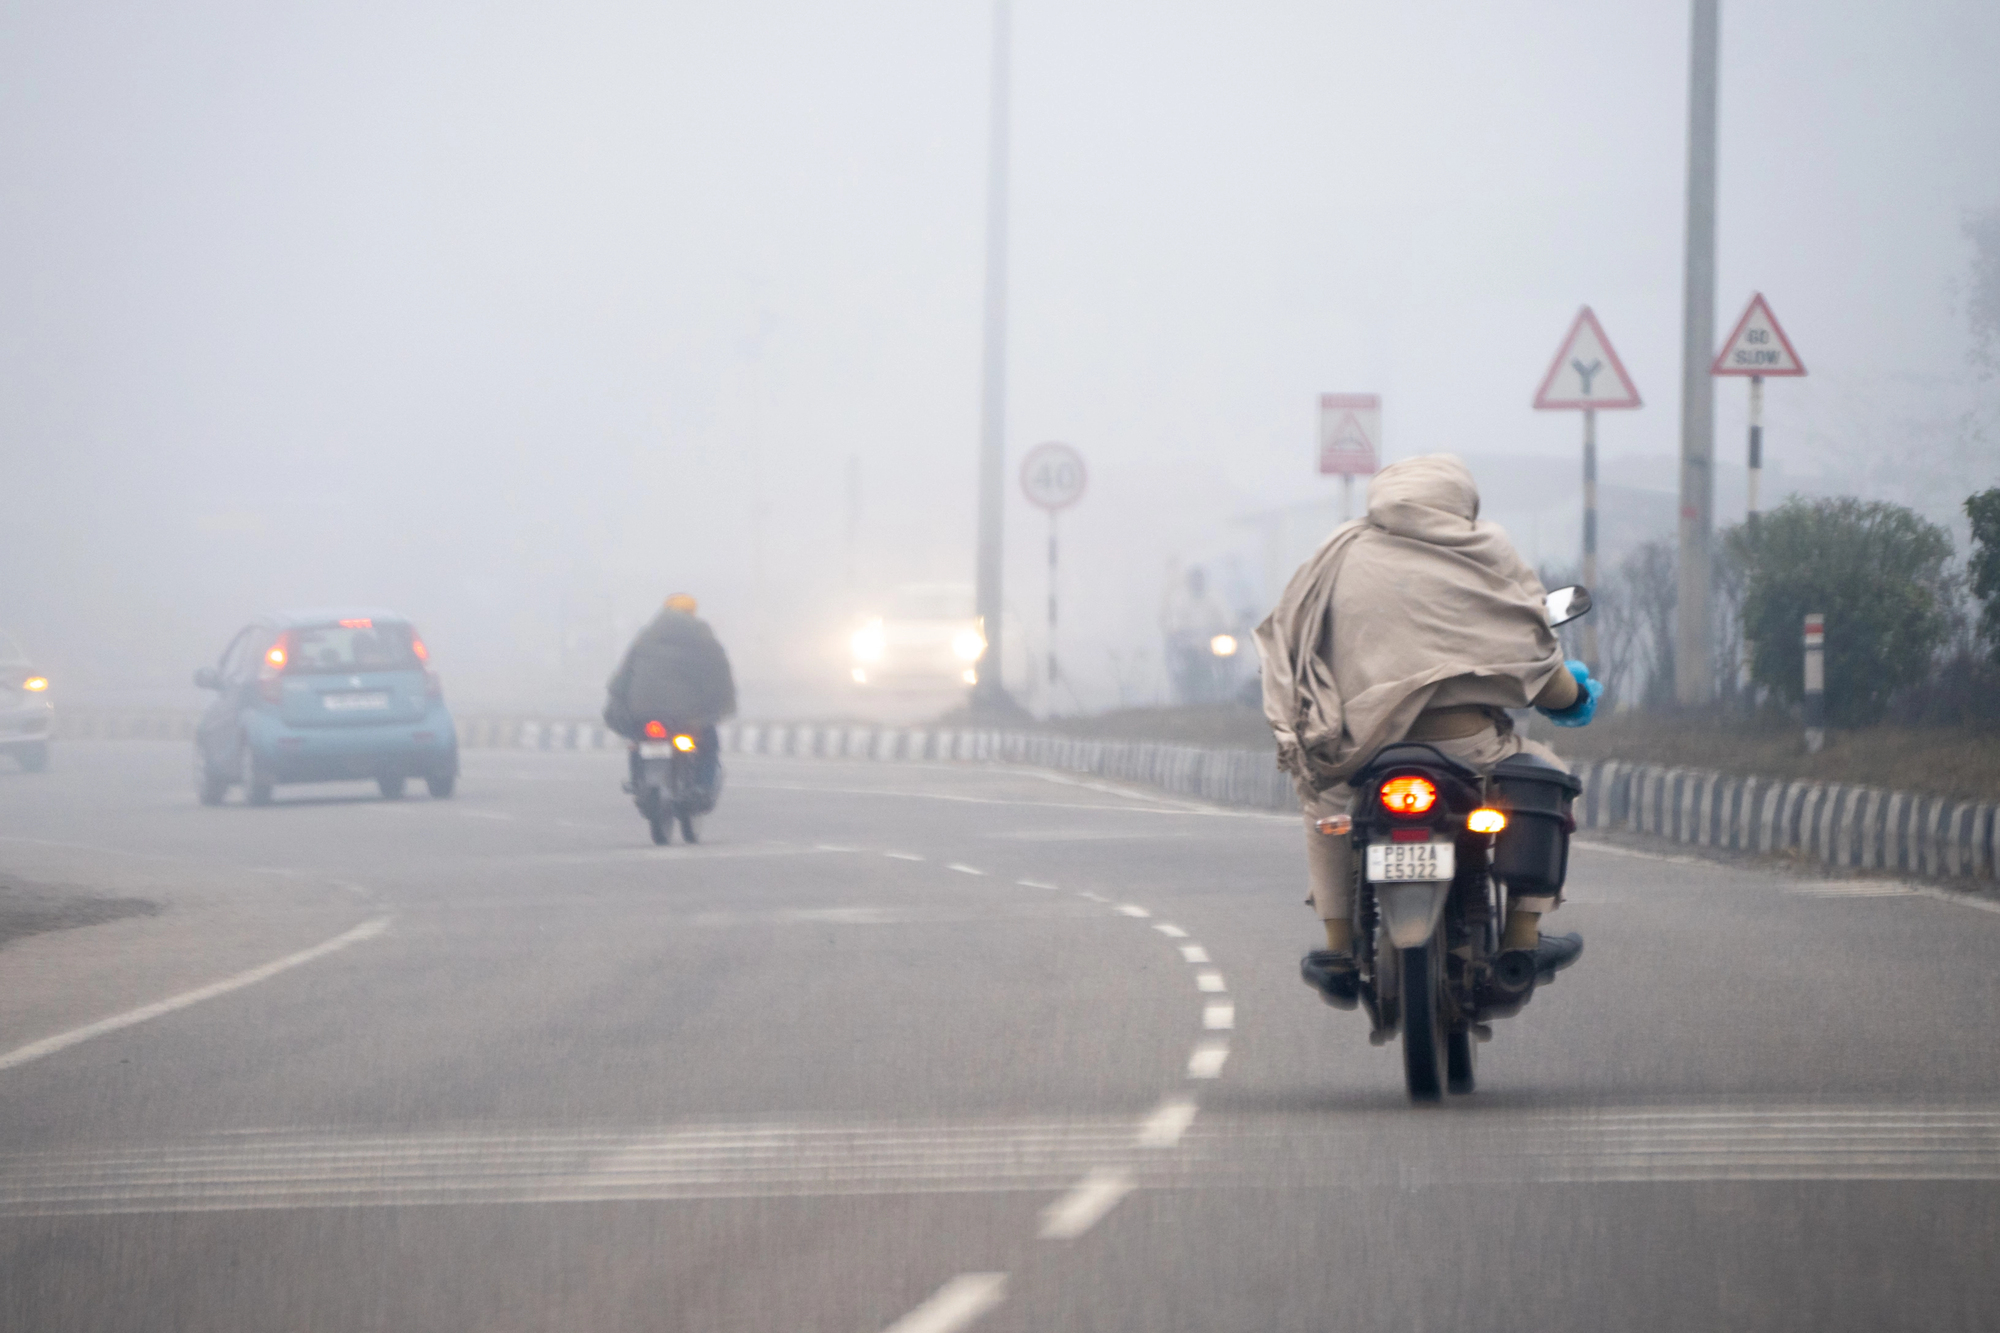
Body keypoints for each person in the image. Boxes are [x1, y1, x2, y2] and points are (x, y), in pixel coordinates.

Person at [1253, 455, 1601, 1007]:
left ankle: (1338, 945)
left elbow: (1299, 646)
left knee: (1327, 810)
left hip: (1362, 751)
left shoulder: (1340, 555)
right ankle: (1522, 938)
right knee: (1546, 778)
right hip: (1470, 747)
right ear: (1463, 502)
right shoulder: (1487, 549)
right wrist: (1574, 696)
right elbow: (1533, 653)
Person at [603, 594, 737, 789]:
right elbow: (719, 676)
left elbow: (624, 676)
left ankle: (636, 780)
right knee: (708, 743)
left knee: (637, 741)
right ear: (692, 613)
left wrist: (617, 704)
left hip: (644, 711)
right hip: (686, 714)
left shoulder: (645, 637)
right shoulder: (703, 638)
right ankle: (703, 785)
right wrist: (722, 706)